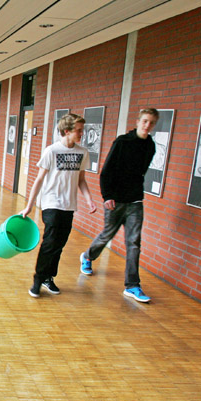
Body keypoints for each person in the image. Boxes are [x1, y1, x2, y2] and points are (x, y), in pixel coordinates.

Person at [79, 108, 159, 303]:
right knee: (107, 234)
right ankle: (88, 256)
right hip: (115, 200)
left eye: (151, 122)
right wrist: (107, 196)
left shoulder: (150, 146)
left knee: (133, 243)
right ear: (138, 121)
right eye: (145, 121)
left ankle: (132, 286)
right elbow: (106, 171)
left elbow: (140, 173)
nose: (147, 125)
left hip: (135, 201)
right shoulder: (122, 142)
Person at [18, 113, 97, 298]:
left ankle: (48, 278)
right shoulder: (51, 151)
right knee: (50, 242)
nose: (81, 133)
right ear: (67, 131)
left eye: (82, 130)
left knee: (60, 244)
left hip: (69, 205)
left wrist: (89, 199)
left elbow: (82, 180)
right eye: (78, 130)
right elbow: (39, 180)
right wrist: (29, 206)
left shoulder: (82, 152)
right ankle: (38, 280)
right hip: (51, 203)